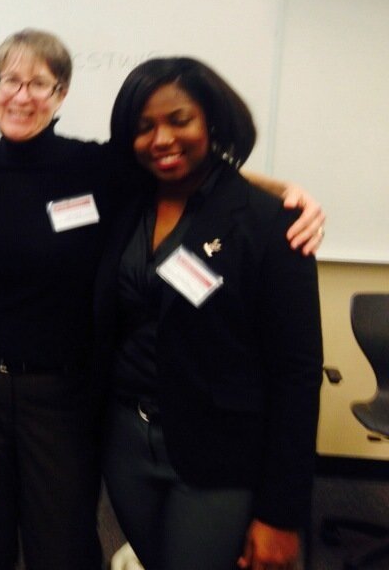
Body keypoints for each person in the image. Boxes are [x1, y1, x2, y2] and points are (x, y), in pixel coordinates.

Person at [0, 31, 325, 570]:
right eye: (9, 81)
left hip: (62, 388)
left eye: (39, 83)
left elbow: (195, 169)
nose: (22, 96)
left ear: (61, 94)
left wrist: (287, 194)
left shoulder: (96, 167)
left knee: (63, 538)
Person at [96, 56, 323, 570]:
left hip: (219, 452)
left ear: (212, 121)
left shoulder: (269, 224)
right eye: (144, 127)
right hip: (126, 441)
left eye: (180, 120)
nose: (162, 139)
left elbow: (297, 373)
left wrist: (281, 515)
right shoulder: (126, 204)